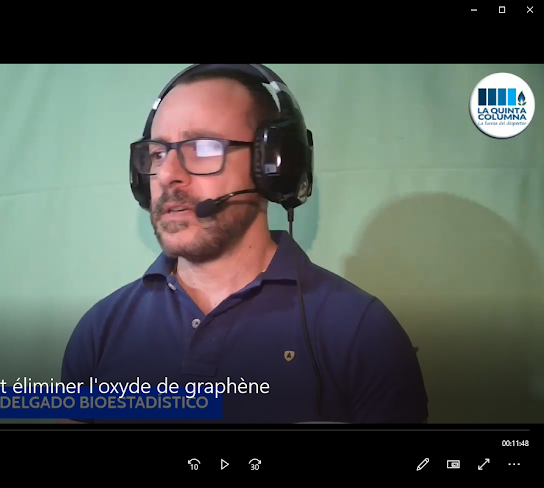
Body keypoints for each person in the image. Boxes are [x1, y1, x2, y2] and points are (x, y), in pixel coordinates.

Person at [60, 64, 428, 423]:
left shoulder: (362, 330)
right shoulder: (100, 329)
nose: (168, 174)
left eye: (203, 147)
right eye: (157, 154)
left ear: (273, 167)